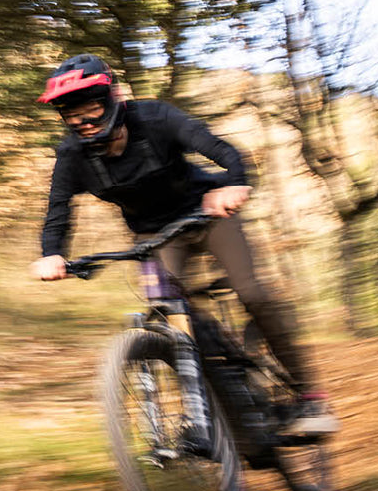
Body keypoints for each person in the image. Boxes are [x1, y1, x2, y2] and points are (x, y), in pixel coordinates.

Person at [30, 54, 338, 436]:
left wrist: (232, 184)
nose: (84, 121)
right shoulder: (72, 157)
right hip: (154, 235)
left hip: (207, 214)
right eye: (72, 114)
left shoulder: (155, 118)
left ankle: (311, 398)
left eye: (92, 107)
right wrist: (51, 253)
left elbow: (224, 151)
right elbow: (58, 209)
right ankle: (231, 410)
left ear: (113, 97)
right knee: (170, 315)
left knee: (251, 291)